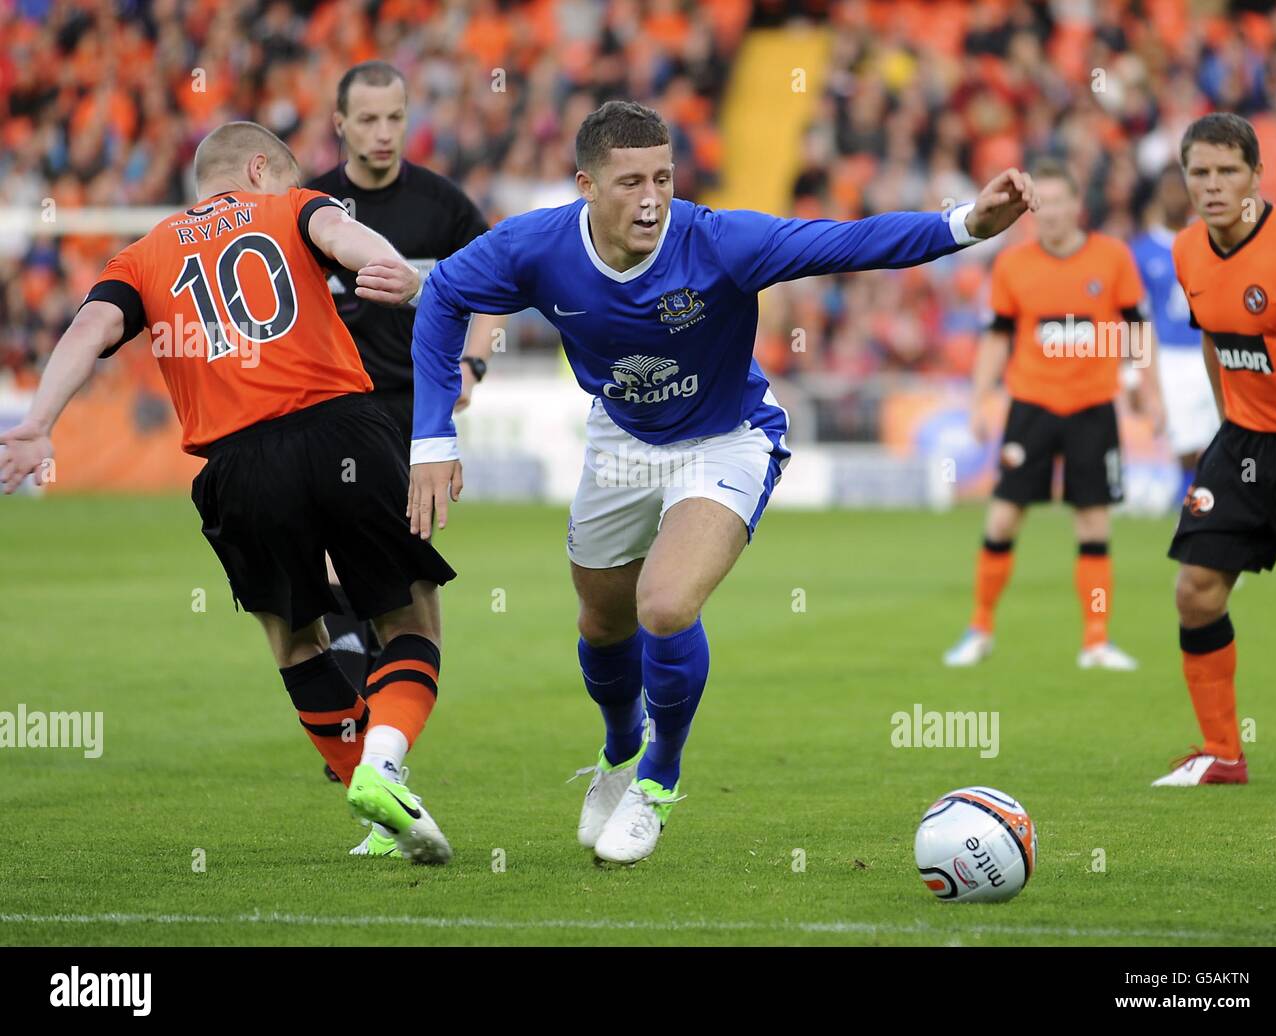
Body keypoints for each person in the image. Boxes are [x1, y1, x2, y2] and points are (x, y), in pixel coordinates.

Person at [405, 100, 1037, 863]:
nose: (651, 198)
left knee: (665, 606)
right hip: (621, 438)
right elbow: (443, 296)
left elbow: (847, 242)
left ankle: (659, 782)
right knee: (602, 626)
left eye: (664, 178)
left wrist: (966, 222)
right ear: (585, 186)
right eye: (631, 180)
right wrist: (433, 439)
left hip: (727, 438)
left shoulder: (719, 241)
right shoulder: (537, 246)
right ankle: (617, 751)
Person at [0, 122, 455, 862]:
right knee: (410, 619)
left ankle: (378, 815)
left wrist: (37, 423)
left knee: (293, 639)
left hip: (237, 465)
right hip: (341, 430)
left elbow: (91, 326)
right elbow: (346, 238)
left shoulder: (144, 254)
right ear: (257, 168)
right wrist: (395, 268)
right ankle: (381, 765)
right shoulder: (291, 206)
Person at [305, 60, 503, 787]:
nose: (384, 133)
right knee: (341, 571)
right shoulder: (313, 205)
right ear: (341, 123)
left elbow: (491, 288)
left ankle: (367, 730)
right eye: (369, 119)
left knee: (398, 588)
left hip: (413, 415)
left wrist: (473, 368)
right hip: (330, 414)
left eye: (395, 118)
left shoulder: (442, 205)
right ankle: (369, 736)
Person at [944, 158, 1165, 671]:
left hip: (1093, 407)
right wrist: (979, 399)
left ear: (1076, 205)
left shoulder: (1112, 259)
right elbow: (996, 336)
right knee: (1002, 518)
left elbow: (1136, 328)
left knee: (1093, 525)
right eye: (1039, 203)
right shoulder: (1013, 265)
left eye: (1058, 201)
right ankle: (979, 629)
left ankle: (1096, 640)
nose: (1049, 213)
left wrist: (1149, 392)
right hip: (1031, 407)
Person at [1155, 113, 1276, 786]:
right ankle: (1222, 753)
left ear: (1256, 175)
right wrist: (1227, 421)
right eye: (1199, 173)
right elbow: (1213, 335)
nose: (1212, 186)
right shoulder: (1187, 250)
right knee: (1197, 592)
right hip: (1241, 442)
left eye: (1226, 171)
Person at [1131, 162, 1218, 508]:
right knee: (1183, 446)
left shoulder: (1209, 239)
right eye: (1167, 189)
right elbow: (1134, 320)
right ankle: (1188, 511)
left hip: (1210, 351)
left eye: (1179, 189)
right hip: (1169, 358)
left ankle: (1208, 510)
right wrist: (1133, 376)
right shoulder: (1141, 249)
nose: (1174, 196)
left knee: (1217, 442)